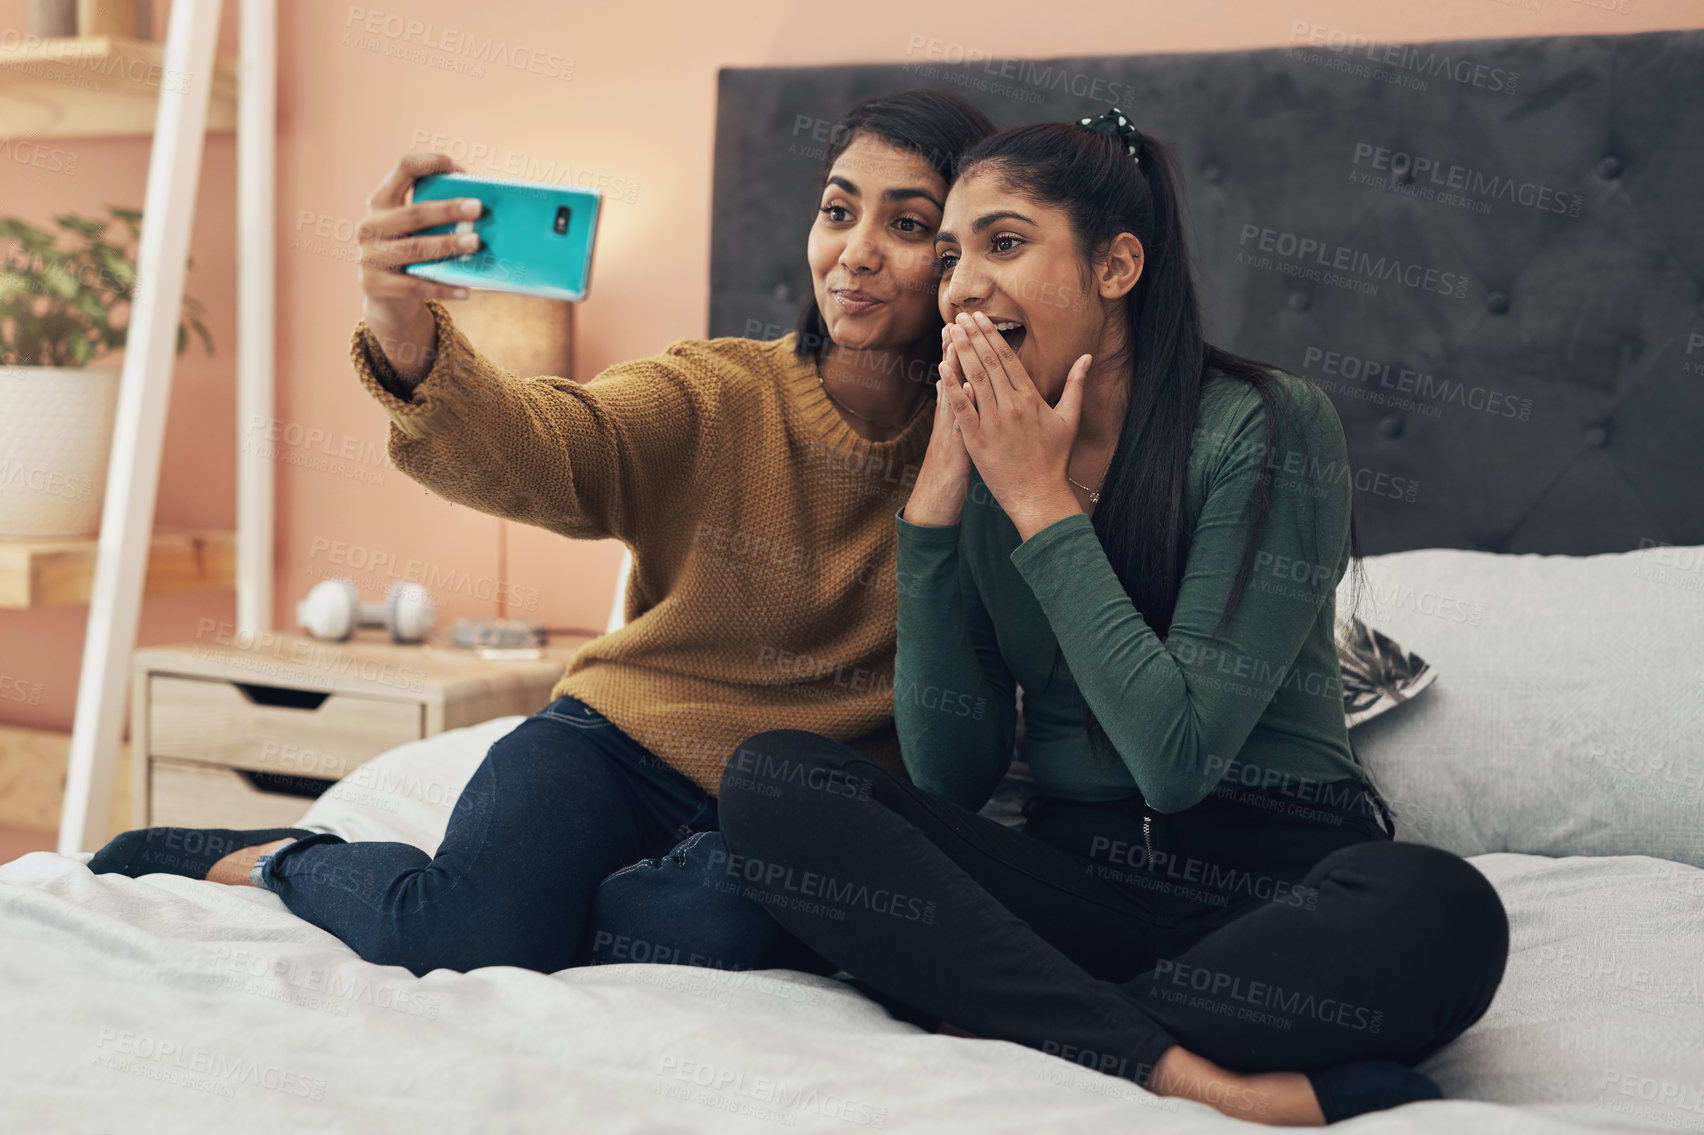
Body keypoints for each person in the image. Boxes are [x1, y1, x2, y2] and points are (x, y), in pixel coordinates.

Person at [715, 106, 1510, 1126]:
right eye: (951, 253)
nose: (959, 284)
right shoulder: (977, 457)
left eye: (1004, 243)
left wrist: (1041, 501)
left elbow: (1173, 763)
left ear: (1116, 267)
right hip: (1074, 887)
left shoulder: (1265, 426)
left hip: (1271, 886)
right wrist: (931, 515)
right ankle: (1187, 1074)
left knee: (1442, 910)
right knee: (776, 781)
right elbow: (951, 776)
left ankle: (1025, 1018)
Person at [87, 89, 995, 978]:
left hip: (783, 811)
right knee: (466, 936)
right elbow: (552, 443)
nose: (856, 253)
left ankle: (552, 899)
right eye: (838, 211)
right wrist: (407, 337)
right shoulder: (713, 394)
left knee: (706, 929)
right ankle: (282, 856)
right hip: (609, 747)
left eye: (908, 226)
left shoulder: (995, 457)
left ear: (963, 260)